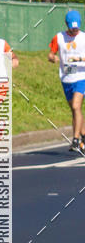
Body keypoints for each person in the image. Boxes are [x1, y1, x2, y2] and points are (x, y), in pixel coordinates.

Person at [48, 10, 85, 153]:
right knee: (75, 110)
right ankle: (83, 135)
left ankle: (75, 140)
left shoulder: (83, 38)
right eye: (72, 27)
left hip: (81, 77)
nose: (75, 30)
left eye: (76, 27)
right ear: (66, 24)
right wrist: (53, 58)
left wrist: (79, 59)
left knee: (76, 106)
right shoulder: (59, 37)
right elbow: (50, 54)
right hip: (66, 78)